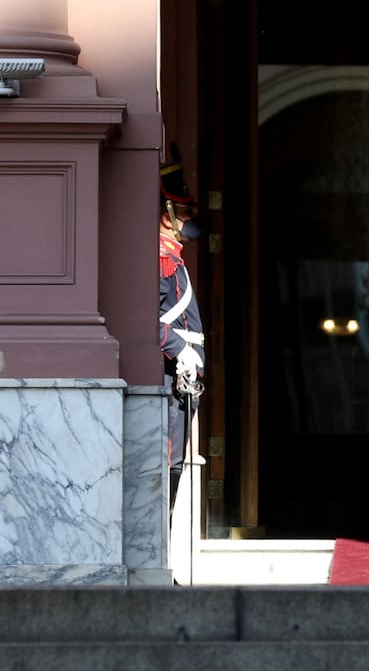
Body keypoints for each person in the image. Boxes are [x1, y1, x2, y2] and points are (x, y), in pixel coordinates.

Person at [159, 156, 205, 521]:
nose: (190, 221)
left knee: (175, 461)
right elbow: (146, 320)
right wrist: (180, 351)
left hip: (184, 376)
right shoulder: (159, 260)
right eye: (185, 212)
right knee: (169, 463)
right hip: (171, 373)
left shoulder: (173, 257)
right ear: (167, 215)